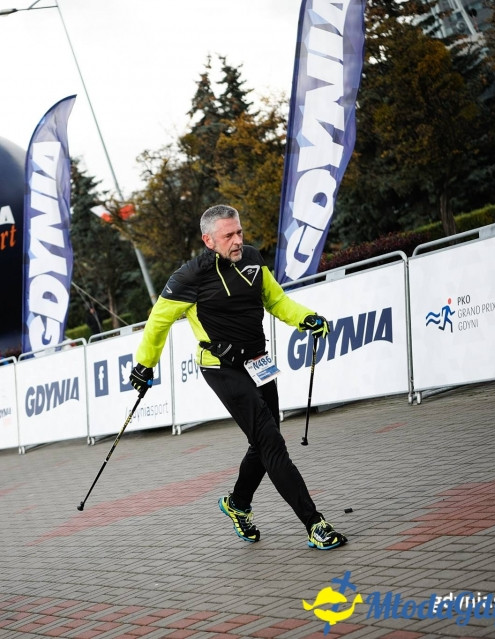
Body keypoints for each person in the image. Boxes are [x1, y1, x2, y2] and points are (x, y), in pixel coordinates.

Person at [129, 204, 347, 550]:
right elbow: (158, 321)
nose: (237, 241)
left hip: (258, 362)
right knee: (272, 442)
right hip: (221, 367)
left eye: (239, 232)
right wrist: (144, 364)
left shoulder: (253, 259)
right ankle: (314, 523)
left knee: (263, 441)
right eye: (228, 235)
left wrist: (306, 318)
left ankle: (237, 504)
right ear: (209, 240)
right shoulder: (189, 277)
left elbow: (276, 301)